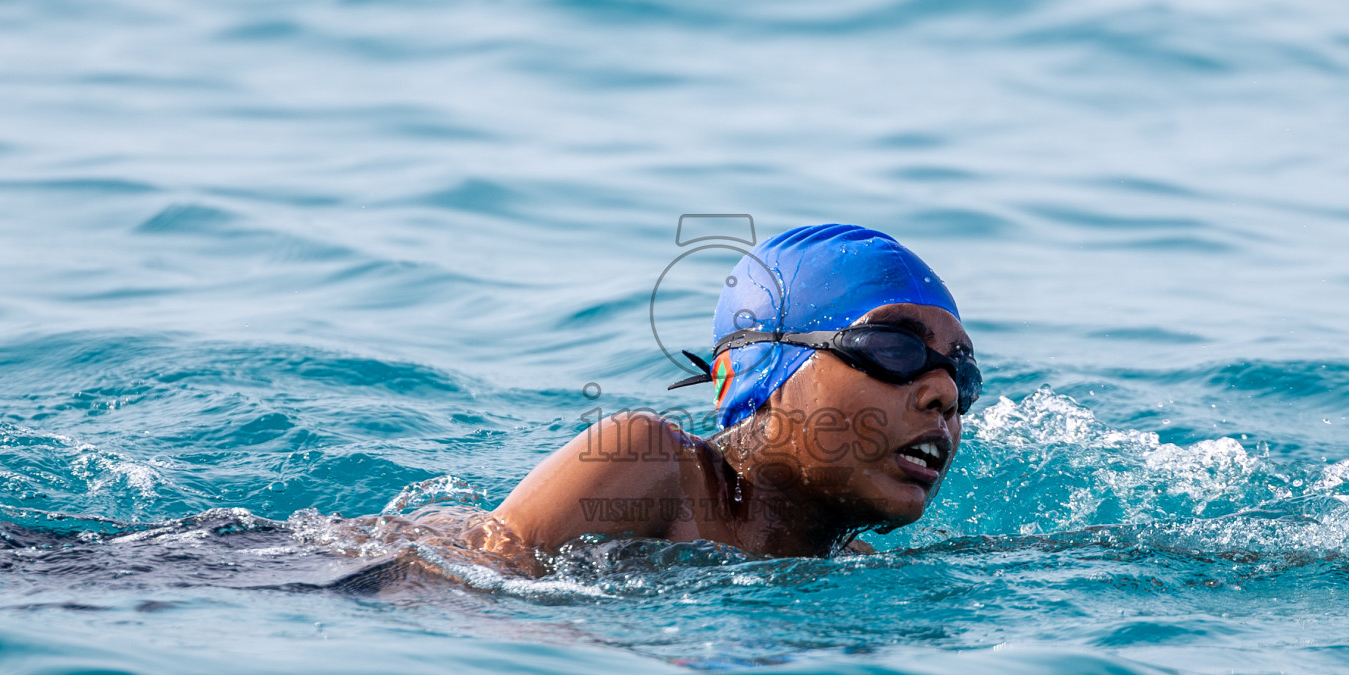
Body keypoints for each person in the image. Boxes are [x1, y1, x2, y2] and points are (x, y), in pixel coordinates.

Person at [364, 224, 979, 577]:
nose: (944, 393)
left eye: (962, 373)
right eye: (893, 348)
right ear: (755, 368)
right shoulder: (648, 461)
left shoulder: (855, 564)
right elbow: (456, 593)